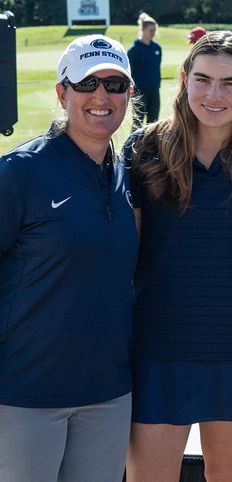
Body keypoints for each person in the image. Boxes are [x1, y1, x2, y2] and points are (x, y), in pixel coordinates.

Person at [123, 31, 232, 482]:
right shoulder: (145, 147)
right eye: (203, 80)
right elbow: (130, 247)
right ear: (184, 79)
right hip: (156, 347)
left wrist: (223, 261)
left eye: (230, 83)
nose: (214, 95)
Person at [0, 34, 138, 482]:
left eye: (115, 85)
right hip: (25, 393)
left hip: (108, 393)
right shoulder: (20, 171)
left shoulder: (127, 175)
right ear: (63, 93)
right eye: (87, 83)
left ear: (129, 94)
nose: (101, 96)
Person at [128, 12, 162, 128]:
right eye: (150, 30)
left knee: (153, 123)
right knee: (137, 123)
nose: (153, 33)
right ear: (143, 29)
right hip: (139, 91)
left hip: (154, 90)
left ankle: (151, 141)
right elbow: (130, 72)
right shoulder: (134, 50)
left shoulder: (157, 48)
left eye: (154, 30)